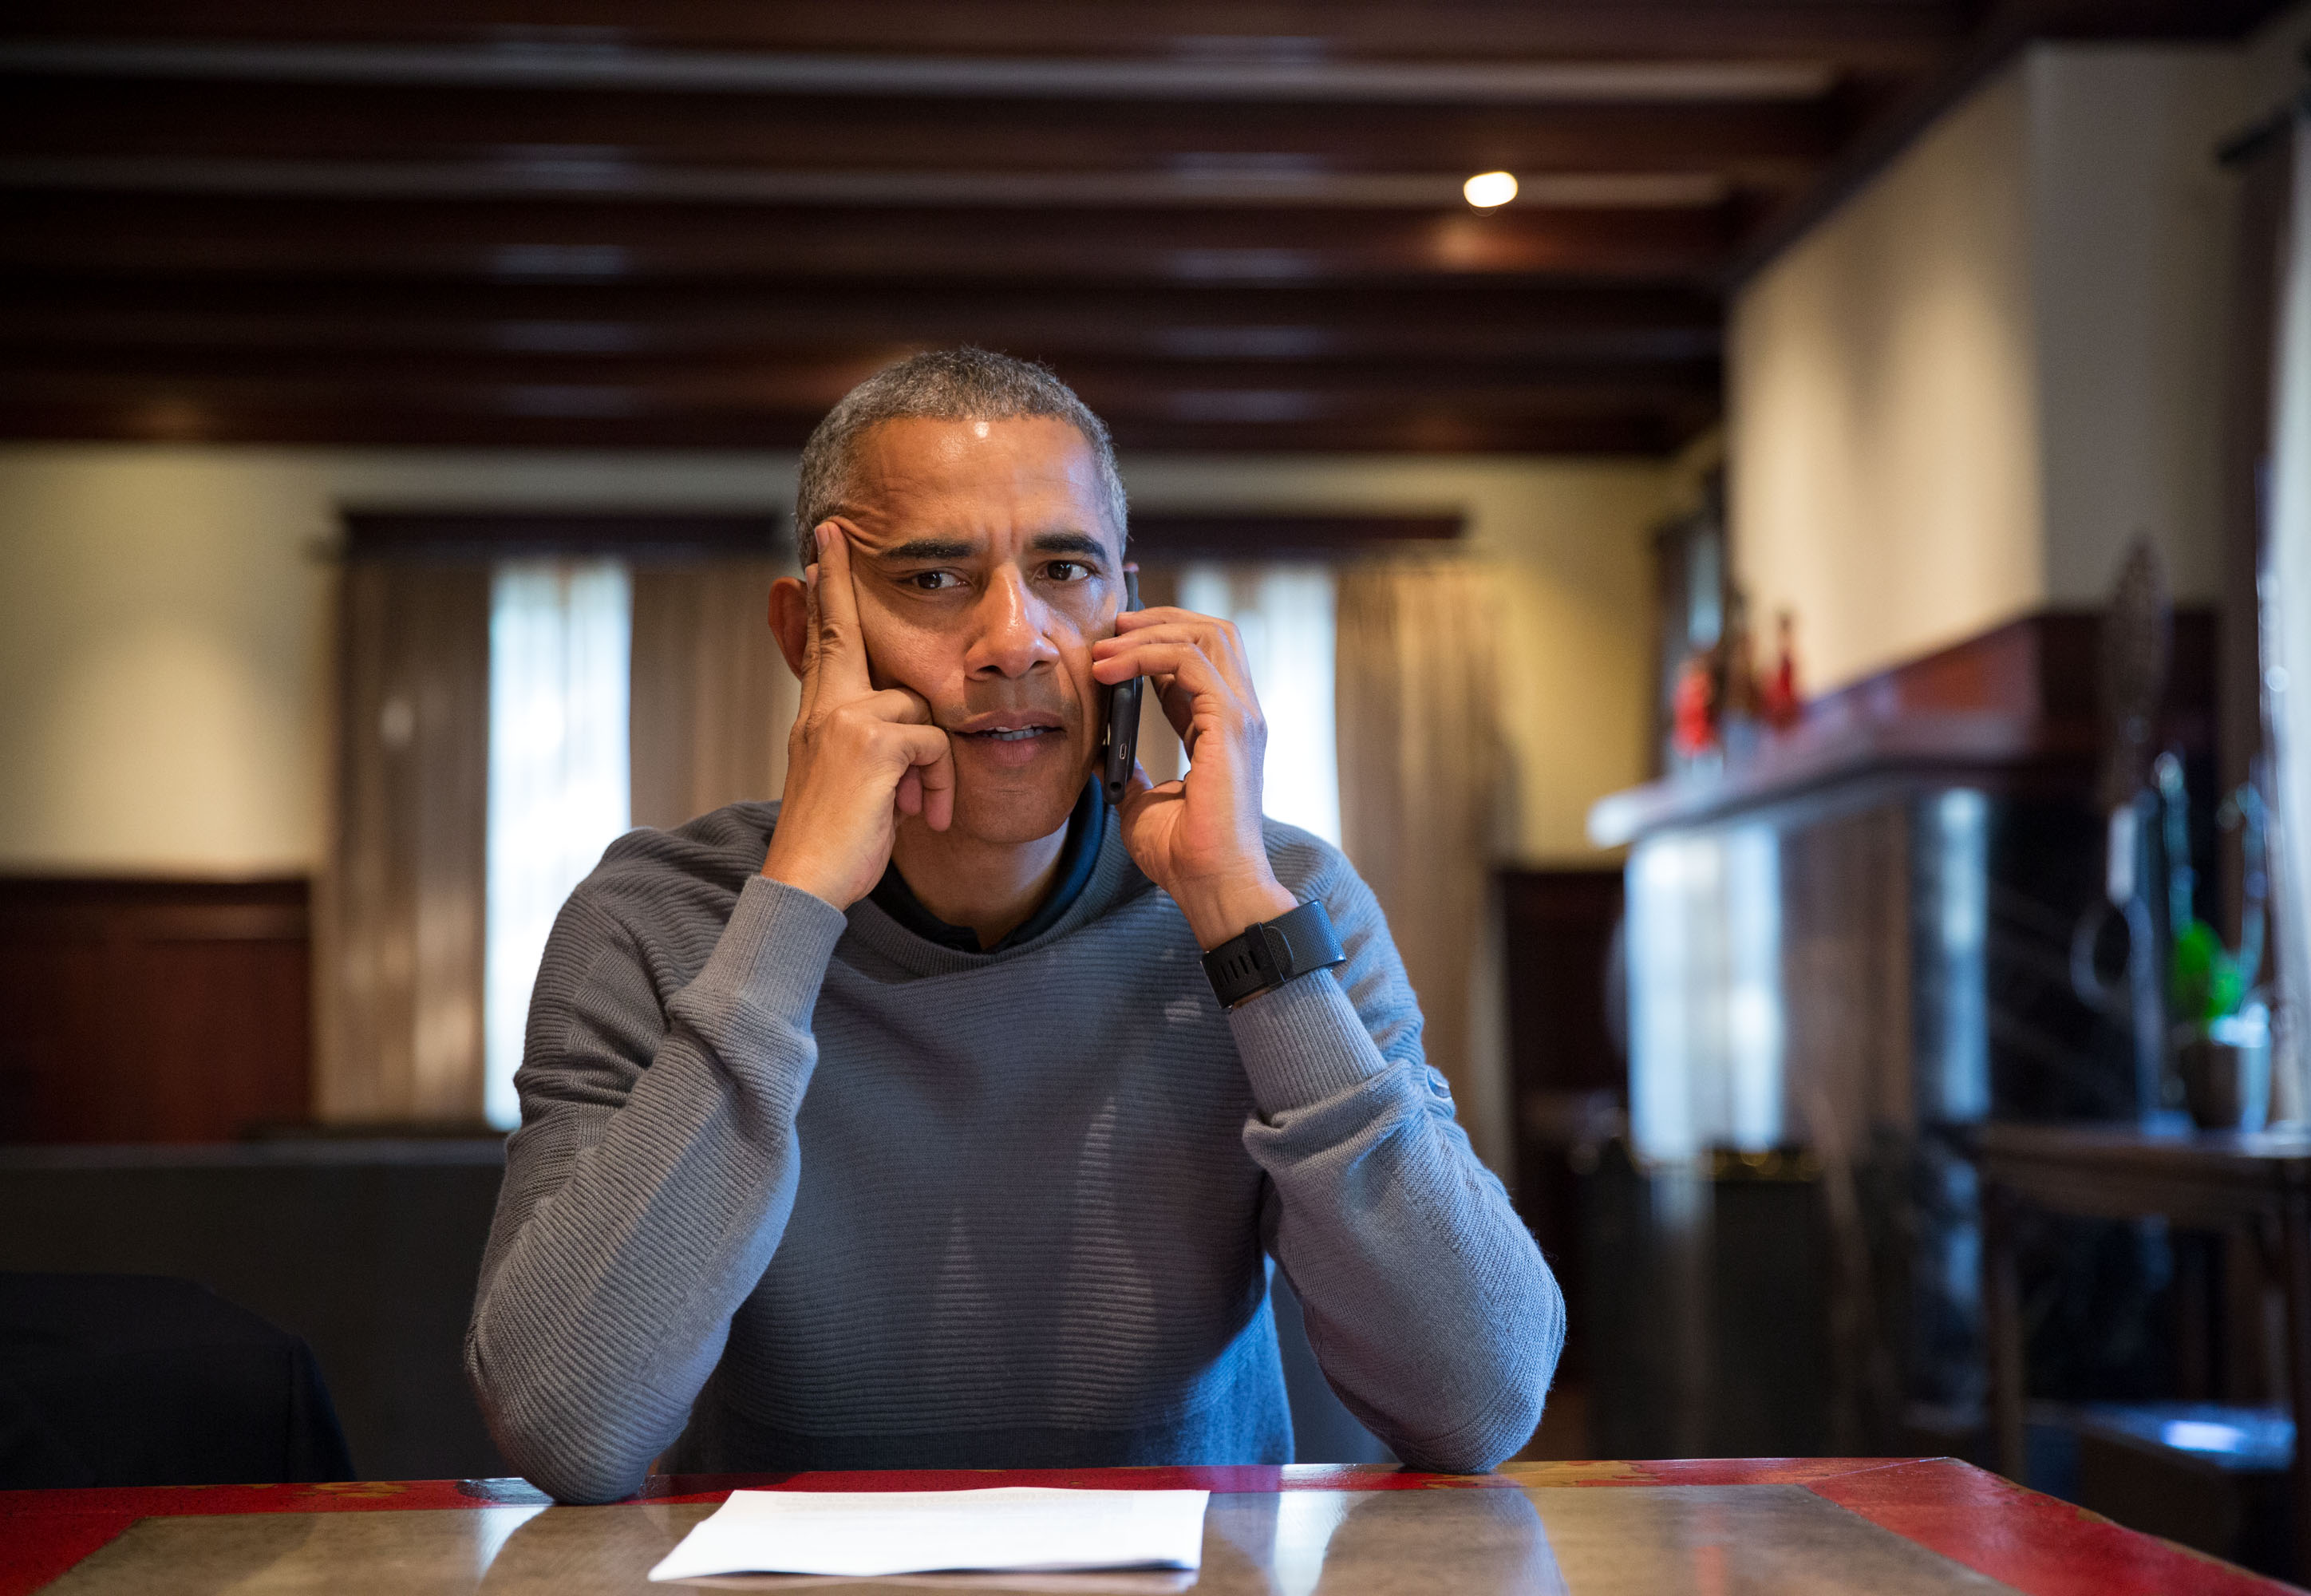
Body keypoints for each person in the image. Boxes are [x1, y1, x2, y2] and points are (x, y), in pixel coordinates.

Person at [465, 349, 1563, 1504]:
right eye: (934, 578)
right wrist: (793, 910)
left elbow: (1480, 1400)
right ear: (806, 631)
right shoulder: (650, 919)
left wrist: (1244, 924)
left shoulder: (1281, 896)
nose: (1016, 638)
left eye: (1064, 570)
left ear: (1127, 612)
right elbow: (567, 1425)